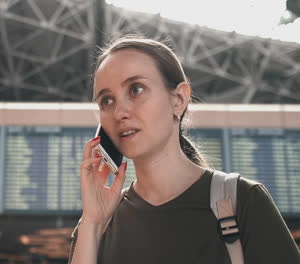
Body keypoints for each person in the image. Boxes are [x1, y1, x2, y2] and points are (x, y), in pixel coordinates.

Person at [68, 35, 300, 264]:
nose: (120, 112)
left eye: (136, 89)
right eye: (107, 101)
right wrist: (92, 224)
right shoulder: (97, 224)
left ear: (179, 99)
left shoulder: (243, 201)